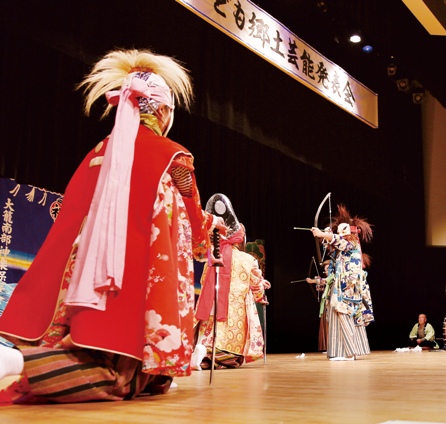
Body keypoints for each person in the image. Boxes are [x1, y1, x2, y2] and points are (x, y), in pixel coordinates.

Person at [0, 49, 226, 404]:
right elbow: (195, 220)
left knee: (132, 373)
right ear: (163, 111)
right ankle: (14, 362)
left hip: (77, 281)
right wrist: (214, 230)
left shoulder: (98, 152)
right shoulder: (174, 157)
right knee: (117, 375)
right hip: (128, 280)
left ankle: (28, 360)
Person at [192, 195, 270, 369]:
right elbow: (256, 284)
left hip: (212, 303)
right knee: (231, 339)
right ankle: (221, 357)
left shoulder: (212, 257)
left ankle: (205, 353)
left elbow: (204, 280)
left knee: (210, 331)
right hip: (236, 308)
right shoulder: (247, 259)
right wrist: (260, 296)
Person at [310, 204, 373, 361]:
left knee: (343, 313)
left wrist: (324, 235)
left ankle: (350, 352)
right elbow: (333, 245)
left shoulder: (352, 244)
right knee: (337, 314)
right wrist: (323, 236)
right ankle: (341, 351)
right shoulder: (341, 250)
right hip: (341, 286)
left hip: (348, 287)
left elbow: (339, 242)